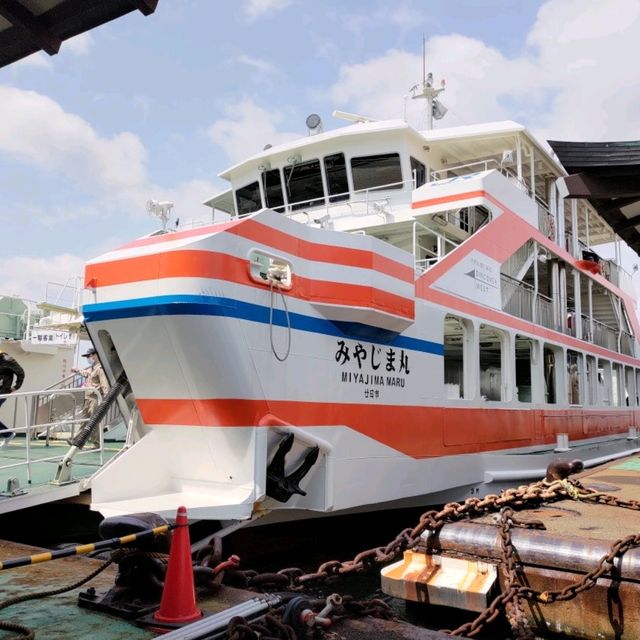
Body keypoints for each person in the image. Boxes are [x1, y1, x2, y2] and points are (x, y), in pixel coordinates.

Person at [72, 347, 109, 446]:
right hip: (87, 398)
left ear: (95, 355)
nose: (88, 358)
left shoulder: (100, 369)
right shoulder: (92, 368)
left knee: (93, 421)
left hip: (95, 398)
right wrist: (77, 370)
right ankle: (77, 439)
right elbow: (86, 374)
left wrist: (106, 399)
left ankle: (96, 443)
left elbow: (104, 384)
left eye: (89, 356)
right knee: (84, 419)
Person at [0, 350, 25, 448]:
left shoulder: (8, 360)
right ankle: (8, 434)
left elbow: (21, 372)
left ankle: (8, 434)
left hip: (2, 391)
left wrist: (16, 387)